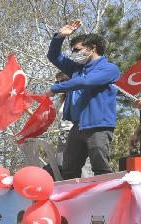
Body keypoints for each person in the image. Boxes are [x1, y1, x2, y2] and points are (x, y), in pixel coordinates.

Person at [45, 19, 120, 179]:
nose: (74, 54)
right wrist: (59, 36)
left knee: (100, 167)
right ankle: (72, 201)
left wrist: (55, 88)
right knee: (69, 169)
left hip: (99, 124)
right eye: (72, 51)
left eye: (77, 50)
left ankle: (107, 200)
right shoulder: (76, 69)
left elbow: (85, 81)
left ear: (92, 48)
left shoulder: (109, 69)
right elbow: (53, 56)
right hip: (78, 126)